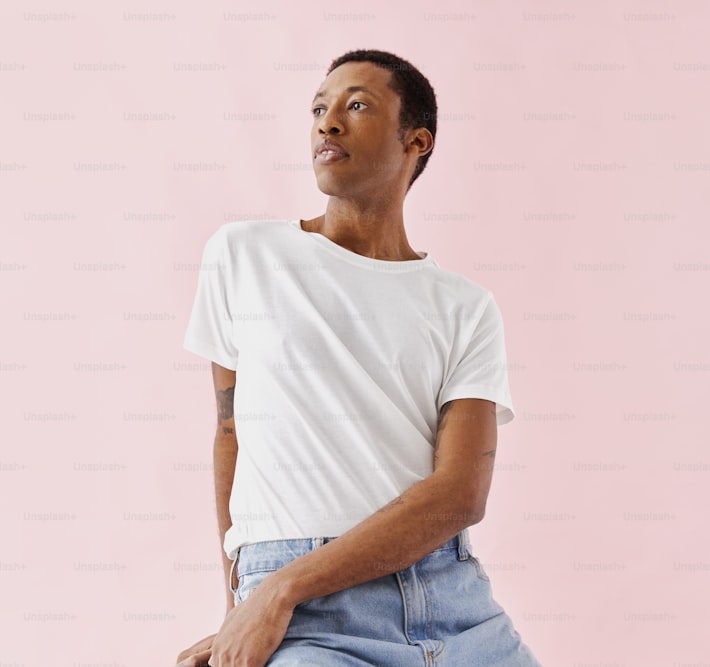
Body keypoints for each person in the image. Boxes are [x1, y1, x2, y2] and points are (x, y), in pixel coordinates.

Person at [174, 49, 543, 667]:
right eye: (319, 107)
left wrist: (275, 595)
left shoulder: (465, 308)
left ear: (416, 141)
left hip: (451, 600)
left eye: (357, 105)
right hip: (307, 618)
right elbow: (231, 434)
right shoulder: (244, 254)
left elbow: (458, 495)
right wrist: (246, 608)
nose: (328, 122)